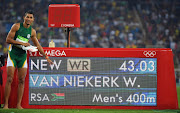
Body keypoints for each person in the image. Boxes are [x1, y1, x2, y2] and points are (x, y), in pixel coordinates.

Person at [3, 10, 53, 109]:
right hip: (13, 54)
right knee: (9, 79)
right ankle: (6, 105)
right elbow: (8, 40)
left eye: (31, 17)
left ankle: (18, 105)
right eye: (27, 17)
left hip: (22, 56)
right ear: (24, 18)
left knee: (21, 80)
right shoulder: (16, 26)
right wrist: (22, 43)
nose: (29, 19)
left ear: (33, 20)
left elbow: (38, 45)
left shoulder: (32, 31)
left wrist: (46, 57)